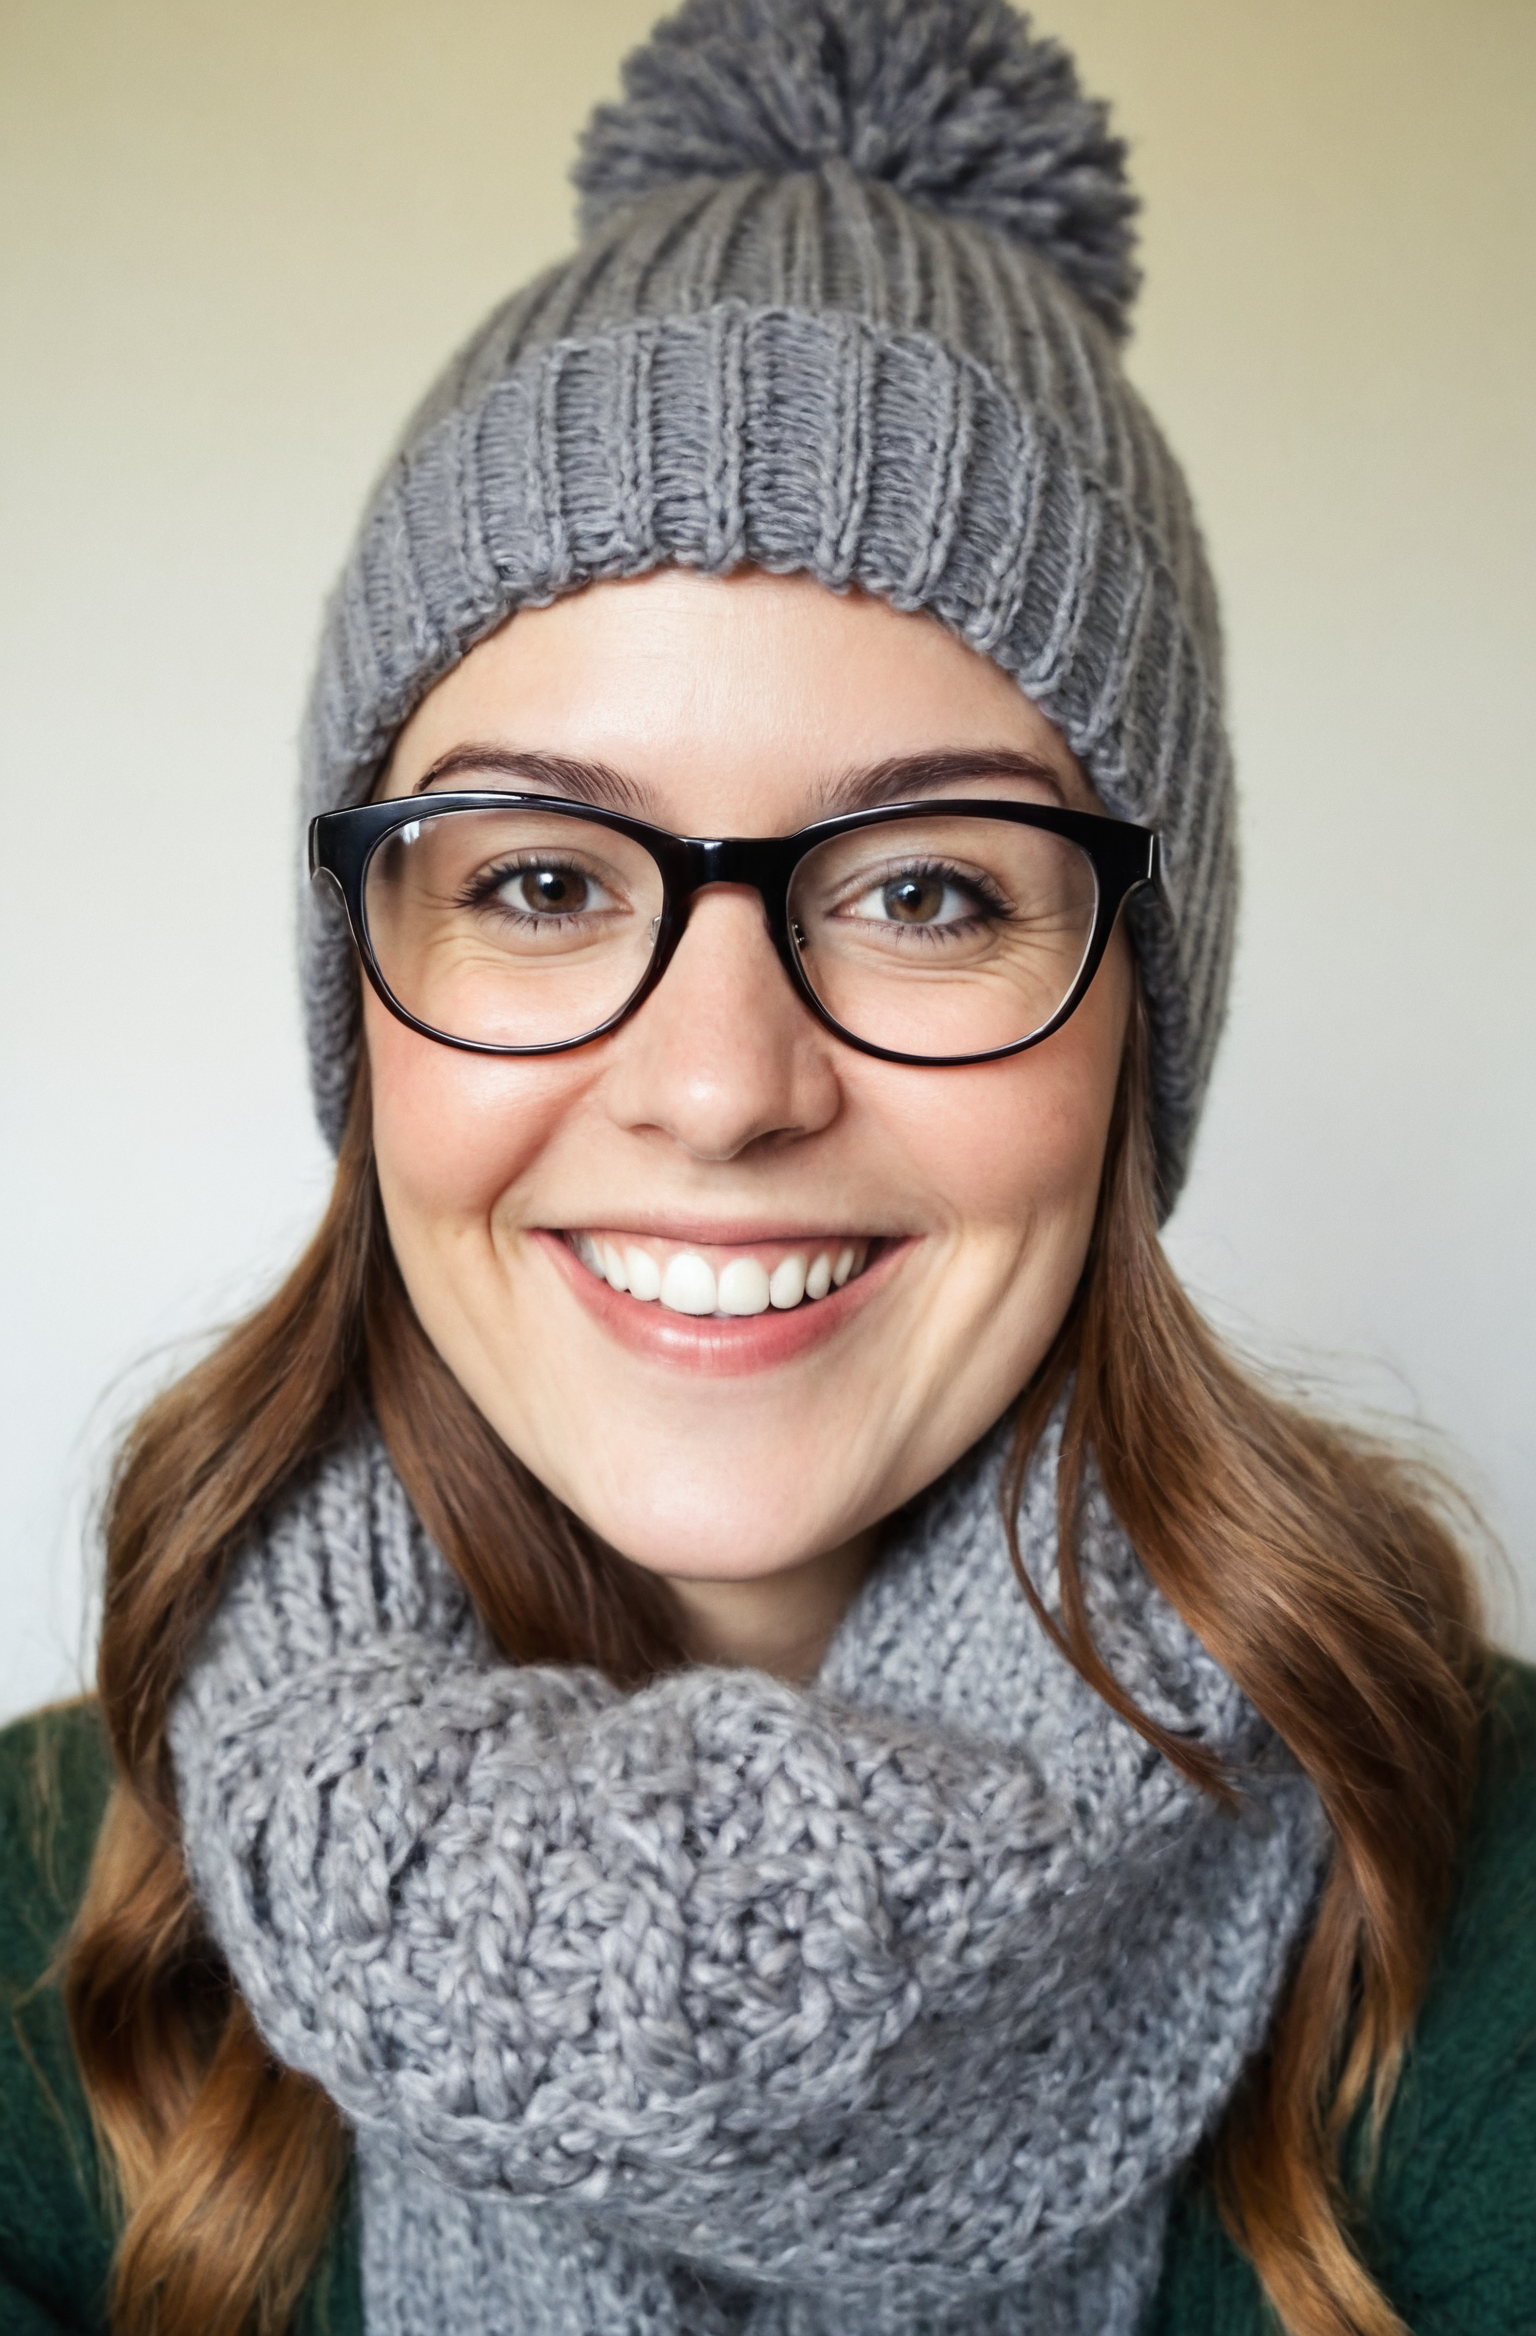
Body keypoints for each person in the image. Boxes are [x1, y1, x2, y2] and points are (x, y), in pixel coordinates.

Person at [2, 3, 1531, 2333]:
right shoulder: (37, 1946)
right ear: (365, 989)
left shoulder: (1494, 1929)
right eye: (538, 880)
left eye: (927, 890)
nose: (720, 1085)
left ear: (1140, 1016)